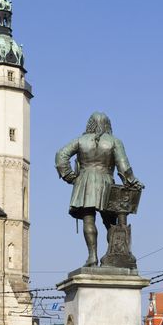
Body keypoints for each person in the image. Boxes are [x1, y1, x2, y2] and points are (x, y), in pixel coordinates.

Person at [55, 111, 143, 268]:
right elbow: (123, 166)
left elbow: (61, 155)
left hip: (84, 182)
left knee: (88, 219)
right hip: (107, 183)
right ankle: (115, 255)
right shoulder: (114, 141)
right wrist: (132, 181)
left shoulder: (80, 140)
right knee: (111, 222)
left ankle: (92, 256)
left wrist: (71, 177)